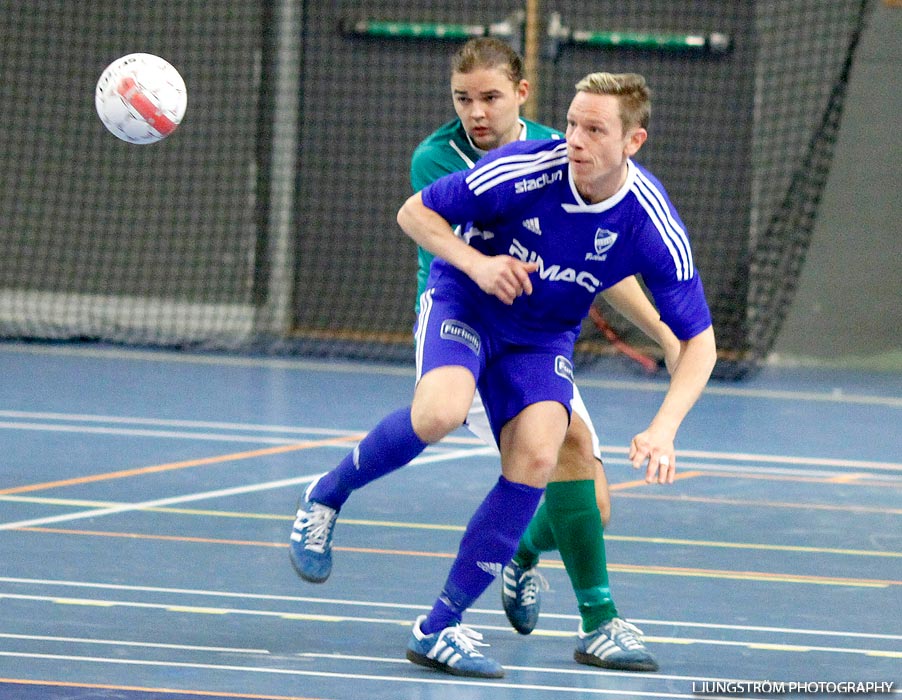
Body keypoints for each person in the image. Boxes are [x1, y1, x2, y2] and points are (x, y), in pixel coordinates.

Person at [289, 68, 716, 679]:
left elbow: (699, 344)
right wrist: (478, 264)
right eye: (571, 123)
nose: (576, 139)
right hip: (466, 303)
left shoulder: (650, 219)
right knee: (439, 411)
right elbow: (415, 215)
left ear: (633, 142)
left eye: (594, 129)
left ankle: (439, 626)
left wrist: (664, 427)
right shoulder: (524, 169)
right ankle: (326, 494)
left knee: (542, 458)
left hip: (541, 337)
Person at [408, 37, 680, 673]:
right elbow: (437, 224)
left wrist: (663, 329)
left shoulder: (565, 154)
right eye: (463, 98)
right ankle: (596, 621)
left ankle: (522, 555)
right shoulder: (444, 160)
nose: (477, 111)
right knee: (541, 457)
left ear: (521, 96)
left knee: (592, 500)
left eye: (490, 97)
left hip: (541, 332)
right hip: (472, 324)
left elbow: (597, 255)